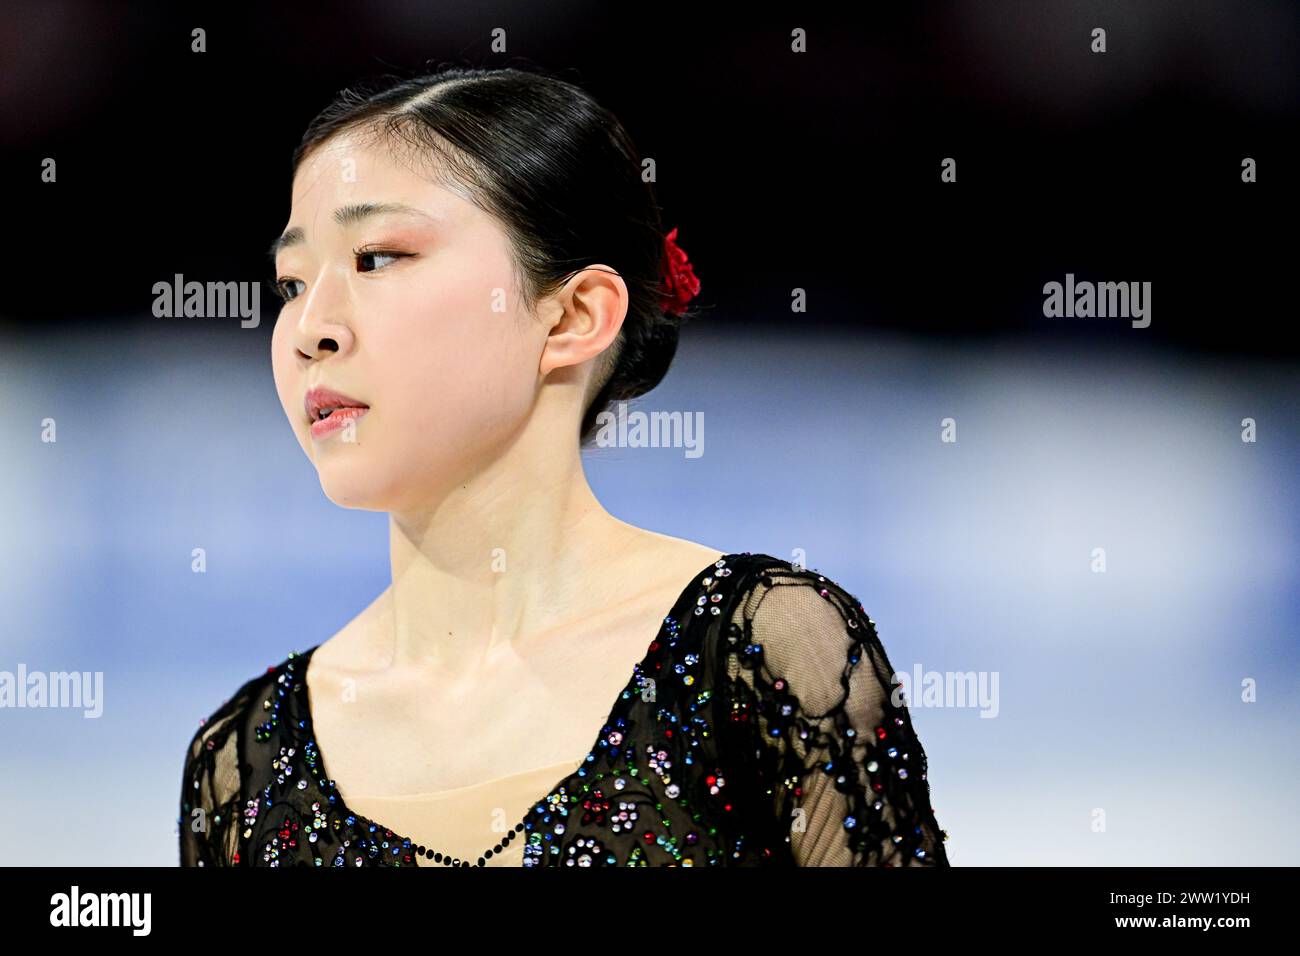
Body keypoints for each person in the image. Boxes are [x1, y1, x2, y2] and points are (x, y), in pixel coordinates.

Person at [178, 65, 949, 867]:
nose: (310, 327)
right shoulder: (244, 761)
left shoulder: (754, 658)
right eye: (293, 282)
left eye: (376, 258)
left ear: (576, 315)